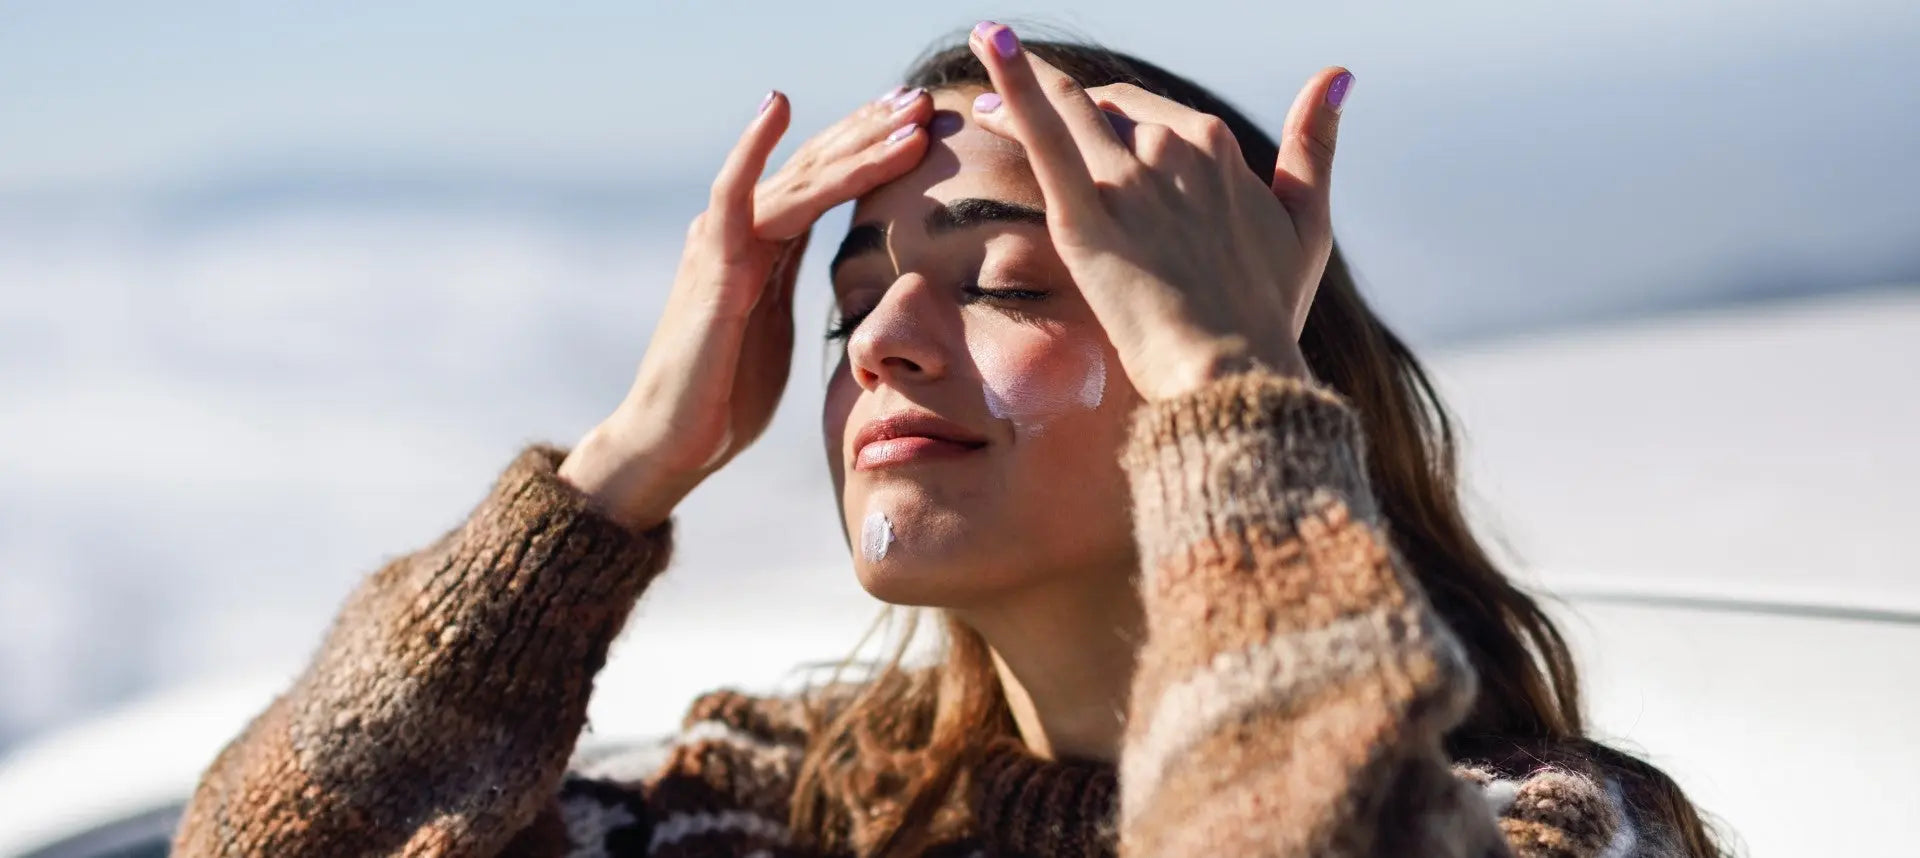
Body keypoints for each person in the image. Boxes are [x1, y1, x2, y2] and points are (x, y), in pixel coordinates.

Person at [171, 22, 1726, 858]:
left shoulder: (1553, 830)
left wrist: (1226, 388)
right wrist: (623, 465)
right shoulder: (752, 810)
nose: (886, 343)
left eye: (1006, 282)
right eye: (852, 307)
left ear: (1249, 374)